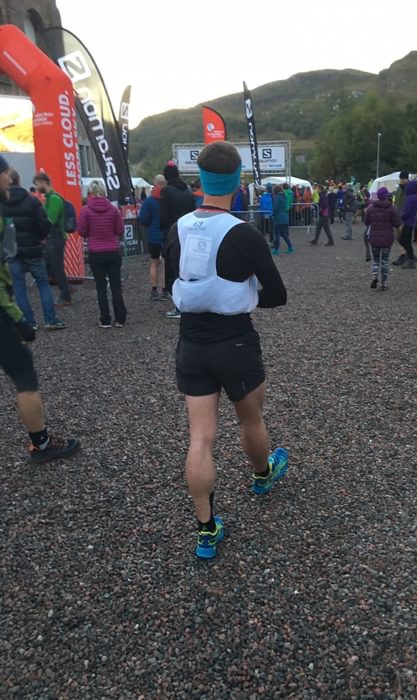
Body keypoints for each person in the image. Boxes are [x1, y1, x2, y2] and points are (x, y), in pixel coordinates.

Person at [166, 140, 288, 559]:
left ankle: (206, 528)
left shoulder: (177, 228)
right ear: (238, 182)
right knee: (249, 419)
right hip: (235, 340)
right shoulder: (243, 232)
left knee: (200, 437)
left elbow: (171, 287)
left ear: (200, 181)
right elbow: (277, 295)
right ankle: (261, 474)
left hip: (191, 342)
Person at [0, 155, 80, 464]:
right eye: (5, 174)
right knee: (24, 373)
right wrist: (19, 320)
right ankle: (42, 445)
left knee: (21, 285)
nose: (10, 179)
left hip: (16, 264)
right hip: (27, 260)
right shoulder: (33, 202)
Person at [5, 168, 66, 331]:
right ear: (19, 180)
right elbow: (44, 223)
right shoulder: (32, 201)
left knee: (19, 286)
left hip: (12, 251)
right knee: (43, 284)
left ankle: (29, 322)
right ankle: (50, 319)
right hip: (33, 248)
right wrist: (39, 237)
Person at [77, 180, 126, 328]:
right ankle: (120, 318)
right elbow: (120, 231)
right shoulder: (113, 210)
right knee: (116, 286)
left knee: (101, 287)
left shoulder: (85, 210)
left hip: (96, 252)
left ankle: (105, 319)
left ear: (90, 193)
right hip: (112, 250)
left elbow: (81, 231)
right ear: (104, 192)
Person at [159, 161, 195, 319]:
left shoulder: (167, 192)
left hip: (173, 236)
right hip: (189, 235)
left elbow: (163, 217)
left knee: (173, 271)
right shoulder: (187, 191)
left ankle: (180, 306)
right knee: (188, 270)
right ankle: (191, 303)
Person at [32, 171, 72, 306]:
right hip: (52, 238)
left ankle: (66, 295)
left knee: (56, 267)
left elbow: (50, 220)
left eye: (37, 184)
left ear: (43, 182)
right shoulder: (50, 199)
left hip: (57, 238)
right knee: (50, 265)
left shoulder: (54, 199)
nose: (37, 188)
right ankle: (65, 289)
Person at [364, 187, 401, 290]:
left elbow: (366, 222)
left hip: (374, 237)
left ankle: (375, 275)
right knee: (385, 260)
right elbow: (397, 224)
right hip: (387, 238)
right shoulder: (392, 208)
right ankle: (384, 283)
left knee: (375, 260)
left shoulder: (371, 208)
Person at [139, 174, 167, 300]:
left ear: (154, 185)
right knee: (166, 264)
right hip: (167, 236)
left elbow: (143, 219)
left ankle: (154, 291)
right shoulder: (169, 198)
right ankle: (166, 291)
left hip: (154, 236)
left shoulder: (149, 201)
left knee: (154, 262)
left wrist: (150, 224)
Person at [398, 179, 417, 269]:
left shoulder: (409, 198)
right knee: (406, 241)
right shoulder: (416, 197)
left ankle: (411, 259)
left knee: (404, 241)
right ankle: (411, 257)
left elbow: (406, 211)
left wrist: (400, 216)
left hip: (408, 222)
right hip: (413, 222)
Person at [392, 170, 410, 265]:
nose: (402, 180)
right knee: (397, 237)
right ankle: (408, 253)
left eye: (404, 178)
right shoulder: (399, 189)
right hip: (397, 215)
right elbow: (396, 201)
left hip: (405, 217)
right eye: (401, 178)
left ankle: (403, 255)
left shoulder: (409, 188)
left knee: (403, 237)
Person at [271, 185, 294, 254]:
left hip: (279, 218)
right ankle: (290, 247)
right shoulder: (284, 197)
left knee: (277, 234)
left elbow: (275, 208)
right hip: (285, 217)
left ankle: (276, 249)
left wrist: (273, 214)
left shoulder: (277, 198)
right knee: (284, 234)